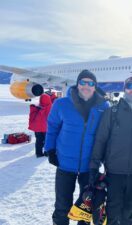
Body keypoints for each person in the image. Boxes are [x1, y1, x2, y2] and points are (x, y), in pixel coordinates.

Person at [44, 69, 109, 225]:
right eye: (83, 82)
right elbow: (52, 127)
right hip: (65, 165)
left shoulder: (103, 107)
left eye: (90, 83)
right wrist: (50, 149)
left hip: (89, 166)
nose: (86, 86)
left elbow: (106, 135)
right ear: (77, 84)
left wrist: (105, 158)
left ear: (95, 86)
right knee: (62, 206)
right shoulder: (61, 104)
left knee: (85, 208)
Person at [89, 75, 132, 225]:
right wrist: (94, 166)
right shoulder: (112, 112)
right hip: (114, 172)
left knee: (128, 211)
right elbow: (100, 140)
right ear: (124, 89)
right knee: (112, 211)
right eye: (129, 86)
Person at [28, 93, 52, 157]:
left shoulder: (38, 107)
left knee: (39, 140)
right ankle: (47, 153)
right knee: (47, 140)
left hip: (37, 128)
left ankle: (38, 153)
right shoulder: (50, 107)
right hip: (46, 128)